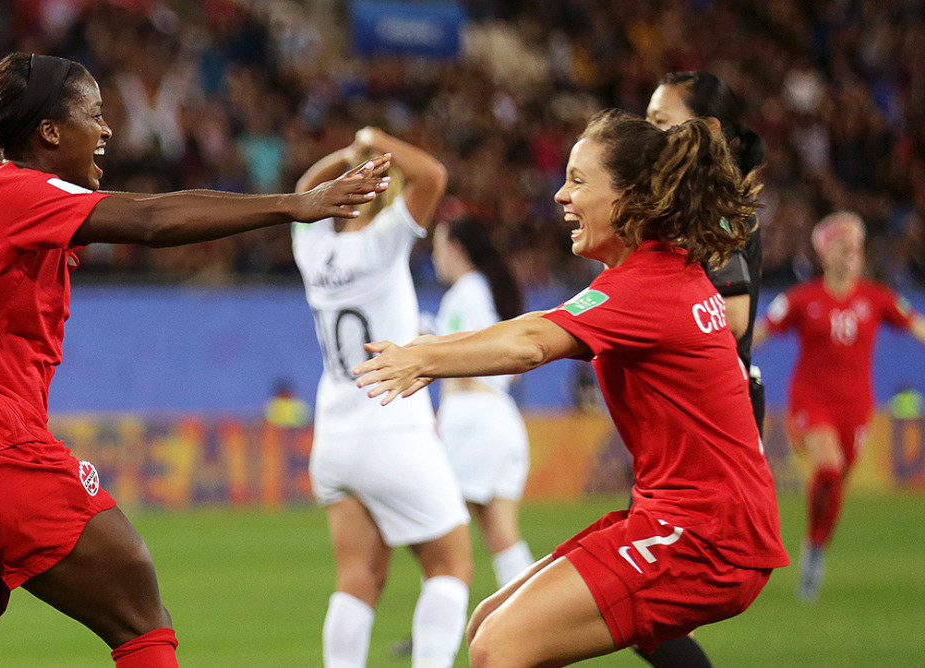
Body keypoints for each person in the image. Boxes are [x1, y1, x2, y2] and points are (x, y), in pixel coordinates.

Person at [0, 52, 390, 668]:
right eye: (94, 115)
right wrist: (293, 205)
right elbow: (151, 219)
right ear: (50, 132)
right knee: (142, 625)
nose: (106, 129)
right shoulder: (21, 193)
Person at [355, 109, 788, 667]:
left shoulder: (647, 283)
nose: (561, 195)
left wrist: (423, 358)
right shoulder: (659, 271)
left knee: (499, 645)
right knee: (488, 623)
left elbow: (533, 342)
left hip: (707, 535)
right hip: (687, 519)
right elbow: (539, 327)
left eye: (579, 181)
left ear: (631, 197)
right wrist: (432, 351)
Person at [292, 126, 473, 668]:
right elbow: (433, 175)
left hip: (334, 436)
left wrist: (345, 158)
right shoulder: (384, 239)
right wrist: (375, 141)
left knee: (358, 578)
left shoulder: (312, 247)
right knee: (451, 566)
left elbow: (303, 190)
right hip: (393, 427)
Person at [641, 69, 768, 668]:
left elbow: (734, 316)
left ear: (708, 130)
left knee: (639, 600)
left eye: (661, 122)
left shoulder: (715, 210)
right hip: (689, 420)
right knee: (642, 606)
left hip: (712, 427)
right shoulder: (685, 206)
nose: (648, 132)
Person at [754, 211, 925, 601]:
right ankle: (811, 553)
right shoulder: (802, 299)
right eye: (843, 245)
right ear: (824, 252)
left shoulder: (877, 297)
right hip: (811, 401)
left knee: (834, 485)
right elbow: (761, 332)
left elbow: (916, 325)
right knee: (829, 467)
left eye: (857, 247)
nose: (851, 253)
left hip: (856, 406)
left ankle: (815, 547)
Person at [431, 218, 535, 585]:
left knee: (442, 533)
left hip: (471, 417)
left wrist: (427, 349)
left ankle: (441, 613)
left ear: (455, 249)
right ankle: (531, 608)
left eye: (437, 247)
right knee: (501, 534)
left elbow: (462, 363)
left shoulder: (464, 294)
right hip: (501, 415)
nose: (435, 257)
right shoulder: (491, 290)